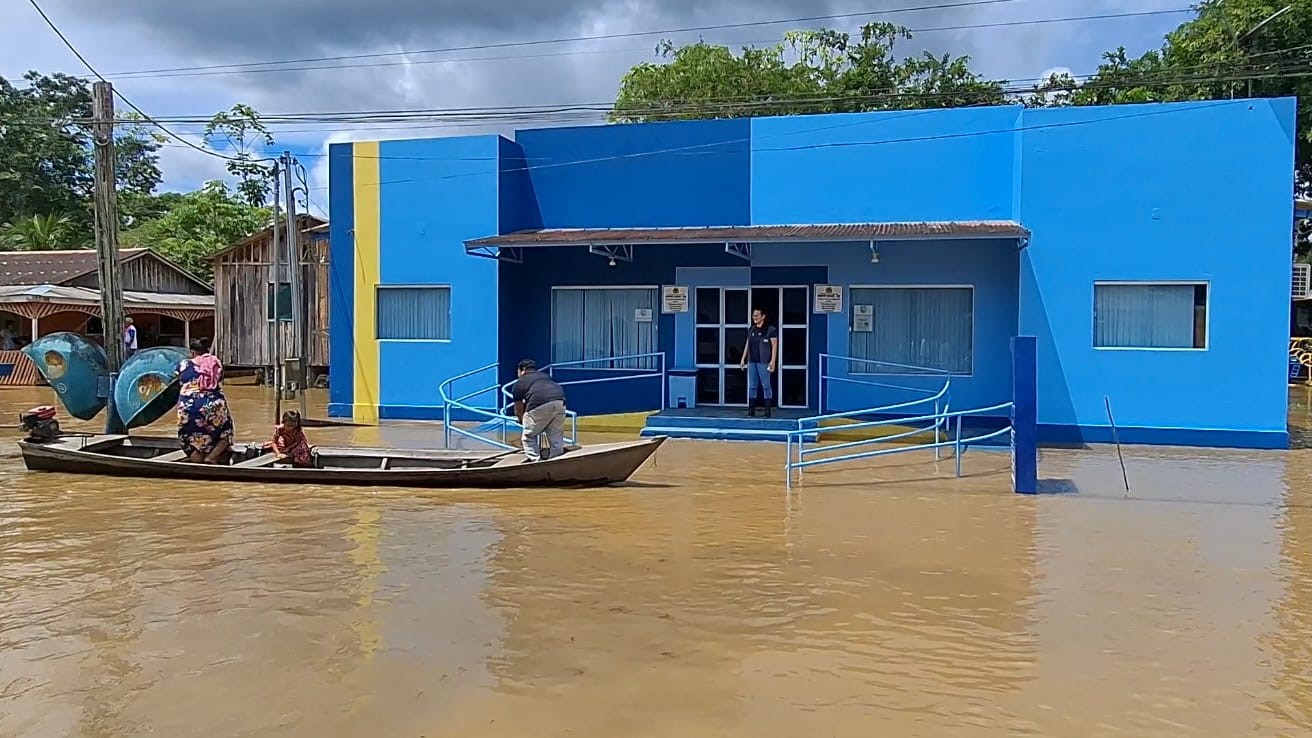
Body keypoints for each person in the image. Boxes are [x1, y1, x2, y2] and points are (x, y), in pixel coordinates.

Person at [175, 337, 234, 464]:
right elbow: (219, 379)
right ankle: (211, 457)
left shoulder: (184, 364)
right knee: (226, 431)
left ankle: (196, 459)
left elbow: (175, 380)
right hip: (213, 404)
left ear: (192, 353)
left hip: (188, 407)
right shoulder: (215, 362)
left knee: (189, 435)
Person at [511, 359, 567, 462]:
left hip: (539, 404)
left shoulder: (520, 382)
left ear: (522, 370)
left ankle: (535, 461)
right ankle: (556, 460)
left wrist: (521, 419)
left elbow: (518, 408)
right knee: (555, 435)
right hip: (559, 401)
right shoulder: (545, 376)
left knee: (529, 436)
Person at [739, 307, 778, 418]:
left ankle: (767, 411)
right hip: (752, 362)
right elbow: (747, 344)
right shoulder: (751, 329)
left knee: (766, 386)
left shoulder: (770, 330)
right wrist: (743, 358)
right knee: (752, 386)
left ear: (763, 316)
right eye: (753, 316)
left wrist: (773, 361)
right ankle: (751, 411)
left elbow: (775, 346)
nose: (754, 318)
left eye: (756, 315)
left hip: (764, 362)